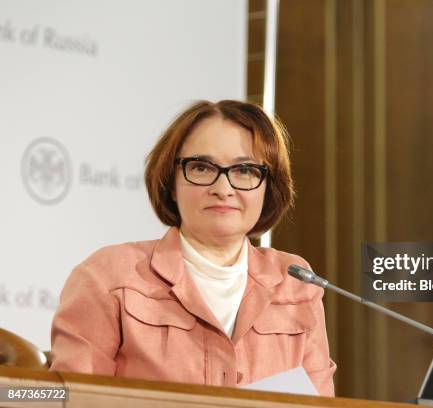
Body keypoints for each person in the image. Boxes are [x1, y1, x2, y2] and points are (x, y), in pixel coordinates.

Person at [49, 100, 336, 396]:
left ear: (268, 186)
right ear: (171, 182)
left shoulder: (297, 283)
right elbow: (69, 398)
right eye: (201, 167)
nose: (223, 189)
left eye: (245, 171)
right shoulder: (107, 275)